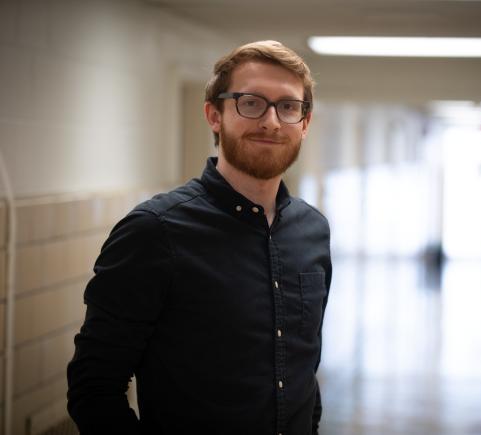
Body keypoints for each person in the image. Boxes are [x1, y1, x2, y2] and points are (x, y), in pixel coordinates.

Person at [67, 40, 332, 435]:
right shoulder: (154, 232)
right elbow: (94, 389)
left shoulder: (313, 230)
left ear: (305, 122)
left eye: (288, 106)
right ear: (214, 115)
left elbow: (302, 368)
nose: (272, 122)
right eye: (251, 102)